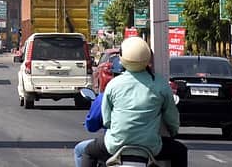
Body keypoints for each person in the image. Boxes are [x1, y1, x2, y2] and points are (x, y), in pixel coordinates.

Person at [80, 37, 186, 167]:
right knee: (180, 151)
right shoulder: (160, 84)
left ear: (122, 59)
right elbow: (172, 117)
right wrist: (173, 131)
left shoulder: (113, 84)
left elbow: (107, 120)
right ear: (147, 58)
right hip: (151, 147)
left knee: (88, 152)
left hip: (115, 145)